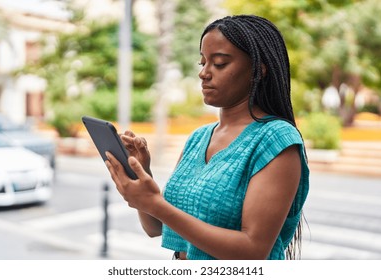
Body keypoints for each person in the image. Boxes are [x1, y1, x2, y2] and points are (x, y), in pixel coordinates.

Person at [105, 14, 309, 260]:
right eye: (203, 63)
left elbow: (253, 251)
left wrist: (155, 204)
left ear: (258, 70)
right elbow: (156, 228)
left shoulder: (277, 140)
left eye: (220, 63)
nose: (204, 73)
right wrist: (142, 175)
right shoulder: (198, 138)